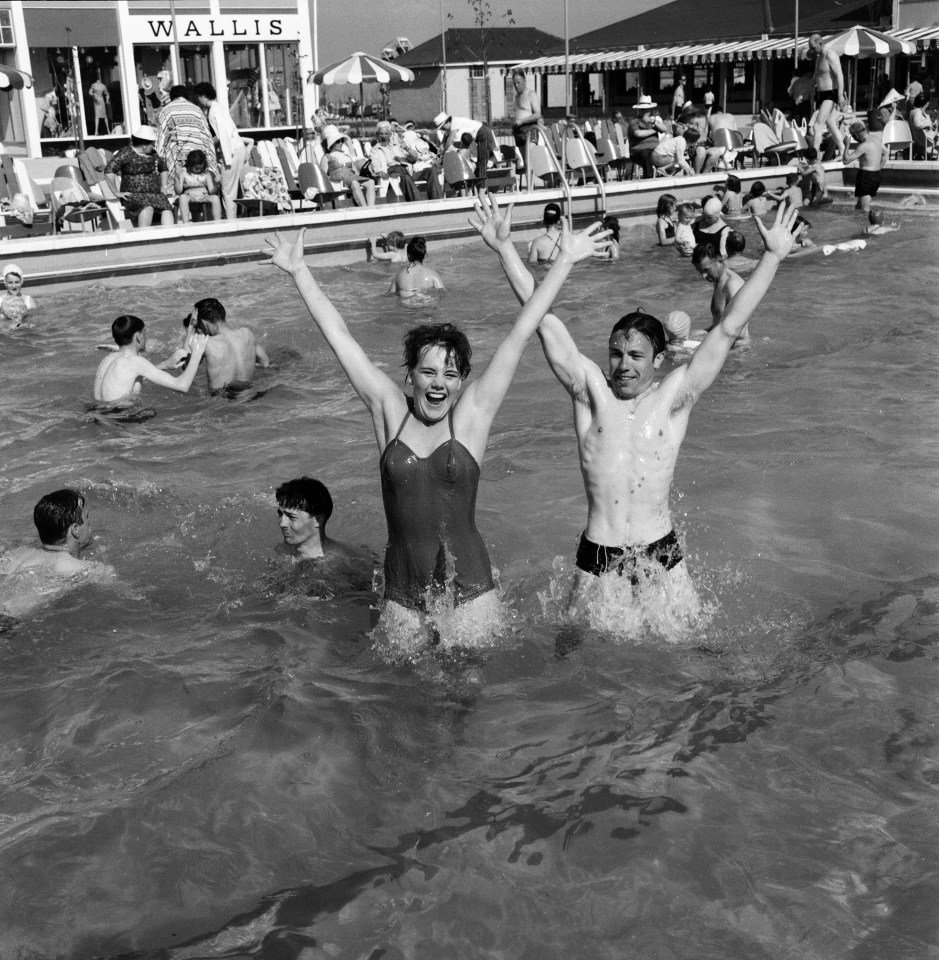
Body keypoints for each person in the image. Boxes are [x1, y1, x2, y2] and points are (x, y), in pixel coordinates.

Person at [263, 203, 609, 649]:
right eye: (428, 372)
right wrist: (299, 272)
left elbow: (522, 331)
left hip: (470, 586)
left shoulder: (472, 415)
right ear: (410, 375)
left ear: (462, 381)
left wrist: (560, 260)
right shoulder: (389, 410)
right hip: (402, 588)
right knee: (405, 700)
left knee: (464, 697)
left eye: (450, 374)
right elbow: (341, 337)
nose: (439, 383)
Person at [478, 199, 803, 626]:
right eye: (616, 354)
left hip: (661, 551)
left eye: (635, 355)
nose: (623, 365)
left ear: (658, 359)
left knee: (693, 654)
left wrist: (774, 258)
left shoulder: (673, 397)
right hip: (598, 552)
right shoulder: (590, 392)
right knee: (573, 653)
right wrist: (504, 250)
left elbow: (727, 328)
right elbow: (542, 321)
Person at [0, 490, 115, 620]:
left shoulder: (19, 554)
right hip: (7, 623)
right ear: (75, 529)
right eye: (86, 517)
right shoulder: (90, 569)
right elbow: (115, 593)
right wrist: (104, 556)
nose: (89, 524)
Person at [94, 314, 208, 403]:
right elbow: (182, 385)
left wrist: (165, 365)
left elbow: (127, 379)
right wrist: (197, 353)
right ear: (138, 336)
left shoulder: (108, 359)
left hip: (98, 414)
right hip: (119, 419)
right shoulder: (136, 362)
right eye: (144, 333)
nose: (145, 338)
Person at [186, 297, 270, 393]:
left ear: (204, 323)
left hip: (222, 401)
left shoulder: (206, 343)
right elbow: (265, 363)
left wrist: (191, 328)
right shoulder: (247, 333)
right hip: (249, 394)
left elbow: (186, 368)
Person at [194, 81, 251, 221]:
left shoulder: (213, 111)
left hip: (231, 153)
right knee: (236, 190)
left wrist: (208, 146)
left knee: (228, 191)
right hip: (239, 149)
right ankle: (237, 219)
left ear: (202, 96)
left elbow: (222, 135)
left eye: (198, 97)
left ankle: (231, 223)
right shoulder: (219, 107)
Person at [105, 125, 175, 227]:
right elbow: (108, 171)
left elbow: (163, 169)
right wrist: (116, 192)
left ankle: (170, 237)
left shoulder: (153, 154)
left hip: (154, 194)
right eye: (152, 144)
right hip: (133, 195)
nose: (154, 146)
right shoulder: (126, 153)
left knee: (166, 208)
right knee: (147, 207)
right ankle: (143, 238)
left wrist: (164, 186)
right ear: (144, 145)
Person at [276, 477, 356, 561]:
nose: (282, 523)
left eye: (291, 517)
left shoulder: (340, 562)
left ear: (318, 520)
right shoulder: (282, 550)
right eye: (280, 514)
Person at [156, 86, 219, 183]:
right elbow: (207, 137)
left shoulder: (166, 110)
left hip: (177, 158)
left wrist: (158, 165)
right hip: (198, 158)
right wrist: (212, 164)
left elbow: (161, 138)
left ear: (172, 97)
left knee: (179, 189)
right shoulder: (197, 110)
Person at [691, 241, 749, 343]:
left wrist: (704, 340)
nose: (703, 276)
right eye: (700, 271)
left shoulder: (732, 285)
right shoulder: (718, 280)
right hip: (721, 341)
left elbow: (741, 332)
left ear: (719, 261)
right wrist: (700, 334)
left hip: (737, 349)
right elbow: (719, 323)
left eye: (706, 270)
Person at [434, 112, 502, 197]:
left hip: (483, 133)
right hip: (481, 134)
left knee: (482, 162)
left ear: (446, 122)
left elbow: (449, 141)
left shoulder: (455, 123)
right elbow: (444, 140)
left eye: (442, 128)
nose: (443, 130)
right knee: (480, 164)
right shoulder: (452, 124)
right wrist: (441, 149)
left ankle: (482, 192)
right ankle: (480, 190)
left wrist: (443, 154)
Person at [808, 33, 846, 156]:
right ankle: (843, 149)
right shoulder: (819, 58)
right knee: (831, 124)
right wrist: (805, 92)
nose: (811, 51)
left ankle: (814, 155)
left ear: (820, 43)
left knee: (817, 125)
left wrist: (840, 95)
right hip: (822, 95)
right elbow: (815, 77)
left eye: (813, 48)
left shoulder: (831, 55)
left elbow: (840, 75)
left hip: (831, 94)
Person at [369, 120, 423, 202]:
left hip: (407, 170)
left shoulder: (397, 146)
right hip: (393, 172)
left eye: (386, 134)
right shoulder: (375, 150)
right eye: (381, 134)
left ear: (390, 135)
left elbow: (414, 158)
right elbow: (375, 164)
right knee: (406, 177)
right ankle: (419, 203)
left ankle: (437, 202)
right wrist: (379, 171)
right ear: (377, 136)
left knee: (431, 171)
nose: (383, 136)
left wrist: (407, 148)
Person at [321, 125, 376, 207]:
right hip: (340, 177)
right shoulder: (327, 157)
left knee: (371, 182)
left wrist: (359, 175)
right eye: (338, 141)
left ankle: (371, 208)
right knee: (354, 183)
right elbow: (322, 173)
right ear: (332, 143)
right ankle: (365, 208)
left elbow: (354, 169)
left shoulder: (346, 154)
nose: (341, 143)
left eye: (342, 140)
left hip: (351, 176)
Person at [843, 119, 883, 213]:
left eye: (853, 137)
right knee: (859, 206)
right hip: (876, 175)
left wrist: (847, 145)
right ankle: (856, 223)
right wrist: (879, 167)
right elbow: (885, 153)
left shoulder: (864, 146)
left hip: (866, 176)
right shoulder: (876, 140)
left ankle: (869, 226)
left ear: (856, 135)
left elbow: (846, 160)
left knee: (865, 208)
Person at [174, 149, 221, 223]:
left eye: (201, 168)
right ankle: (186, 223)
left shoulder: (206, 174)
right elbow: (178, 191)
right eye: (196, 168)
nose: (199, 170)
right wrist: (177, 177)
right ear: (190, 164)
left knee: (215, 198)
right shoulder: (184, 173)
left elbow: (212, 191)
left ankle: (218, 222)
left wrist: (218, 185)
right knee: (182, 197)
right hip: (190, 197)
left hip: (203, 197)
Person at [627, 96, 667, 179]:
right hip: (638, 151)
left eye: (646, 109)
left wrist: (652, 121)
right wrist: (655, 130)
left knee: (670, 151)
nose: (644, 111)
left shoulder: (654, 121)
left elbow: (665, 129)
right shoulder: (634, 121)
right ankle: (648, 178)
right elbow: (638, 134)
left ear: (650, 110)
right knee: (645, 154)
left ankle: (667, 176)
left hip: (655, 150)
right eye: (642, 109)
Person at [511, 69, 541, 170]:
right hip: (518, 131)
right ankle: (530, 186)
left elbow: (537, 114)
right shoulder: (517, 97)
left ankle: (530, 186)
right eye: (514, 83)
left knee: (529, 163)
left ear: (524, 80)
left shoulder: (530, 94)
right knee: (524, 164)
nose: (516, 85)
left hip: (529, 129)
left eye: (518, 82)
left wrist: (521, 121)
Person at [1, 263, 37, 329]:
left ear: (21, 282)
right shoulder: (1, 300)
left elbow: (34, 319)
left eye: (17, 282)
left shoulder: (28, 300)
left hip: (25, 331)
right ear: (5, 283)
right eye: (10, 282)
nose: (14, 286)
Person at [910, 93, 936, 160]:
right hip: (923, 139)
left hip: (920, 138)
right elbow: (917, 124)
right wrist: (928, 124)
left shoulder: (914, 111)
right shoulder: (917, 111)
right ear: (927, 103)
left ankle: (926, 154)